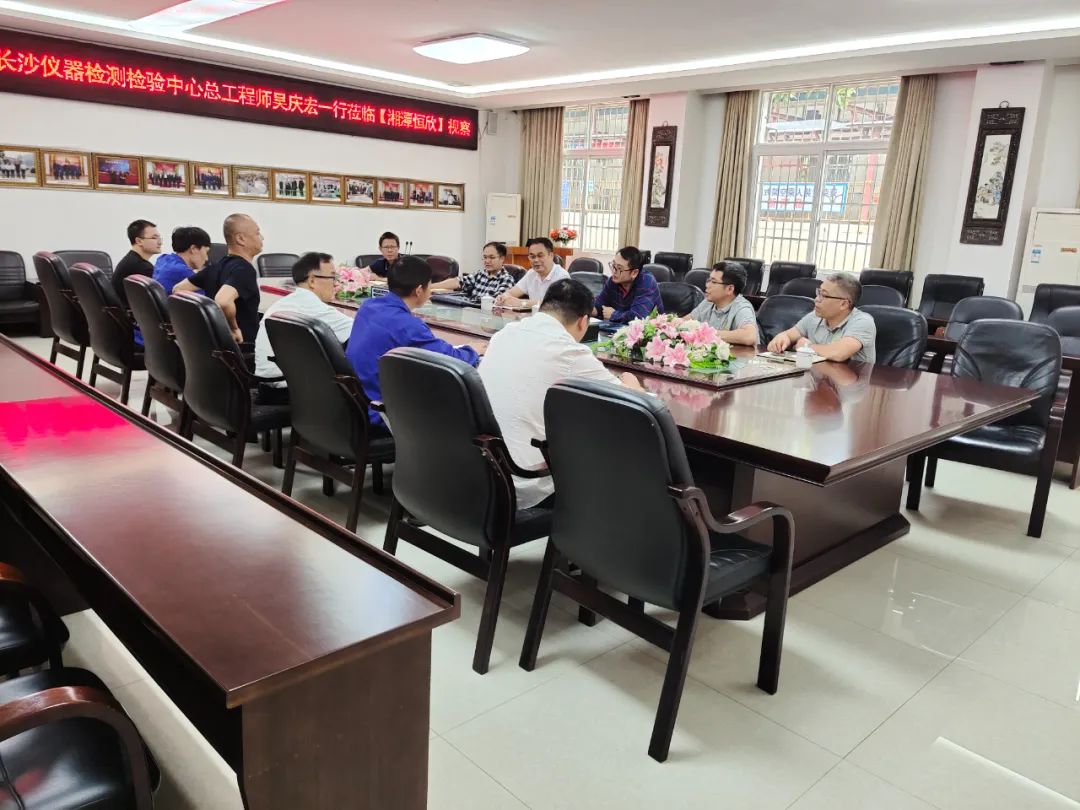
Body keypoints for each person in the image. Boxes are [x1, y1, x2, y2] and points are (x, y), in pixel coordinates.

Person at [480, 279, 642, 508]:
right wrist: (630, 379)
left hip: (482, 470)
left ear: (543, 306)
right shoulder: (569, 351)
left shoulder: (503, 335)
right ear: (583, 322)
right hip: (525, 481)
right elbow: (636, 403)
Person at [346, 256, 481, 434]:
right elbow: (453, 360)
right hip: (381, 413)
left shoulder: (368, 306)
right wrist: (472, 350)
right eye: (429, 286)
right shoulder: (407, 326)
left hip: (356, 404)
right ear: (419, 290)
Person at [254, 252, 353, 405]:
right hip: (289, 388)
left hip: (269, 384)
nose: (336, 284)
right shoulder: (313, 307)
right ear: (312, 281)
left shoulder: (290, 301)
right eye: (333, 277)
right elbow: (361, 332)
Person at [175, 213, 263, 346]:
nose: (261, 237)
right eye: (257, 233)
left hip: (218, 345)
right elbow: (223, 301)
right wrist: (233, 328)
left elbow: (178, 290)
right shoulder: (244, 270)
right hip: (243, 347)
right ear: (240, 239)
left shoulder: (216, 266)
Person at [767, 272, 876, 363]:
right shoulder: (815, 316)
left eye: (824, 295)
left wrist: (807, 347)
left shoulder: (863, 322)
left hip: (851, 379)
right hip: (819, 377)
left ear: (844, 304)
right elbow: (789, 335)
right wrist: (781, 339)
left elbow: (838, 353)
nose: (816, 299)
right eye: (818, 292)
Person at [687, 262, 759, 346]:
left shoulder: (742, 308)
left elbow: (749, 336)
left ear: (730, 289)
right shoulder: (708, 302)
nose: (707, 285)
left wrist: (708, 334)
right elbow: (688, 320)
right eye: (708, 280)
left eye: (713, 282)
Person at [592, 246, 663, 323]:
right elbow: (600, 304)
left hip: (650, 329)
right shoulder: (613, 281)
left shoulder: (646, 282)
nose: (614, 271)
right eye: (614, 266)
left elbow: (638, 318)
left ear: (634, 273)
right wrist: (589, 309)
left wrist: (613, 315)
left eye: (619, 269)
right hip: (620, 328)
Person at [494, 237, 569, 308]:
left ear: (551, 255)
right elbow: (511, 293)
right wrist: (503, 297)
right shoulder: (531, 273)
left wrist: (522, 303)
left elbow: (555, 304)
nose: (536, 260)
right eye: (532, 257)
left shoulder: (562, 276)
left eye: (540, 256)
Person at [430, 241, 515, 301]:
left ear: (502, 258)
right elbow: (458, 282)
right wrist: (430, 287)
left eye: (491, 257)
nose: (487, 261)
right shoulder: (480, 274)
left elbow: (496, 301)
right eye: (485, 257)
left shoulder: (507, 279)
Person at [112, 219, 161, 306]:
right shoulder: (142, 267)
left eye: (159, 238)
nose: (160, 242)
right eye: (154, 238)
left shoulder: (131, 260)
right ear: (139, 241)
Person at [152, 226, 212, 294]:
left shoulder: (163, 259)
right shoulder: (183, 273)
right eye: (206, 252)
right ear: (193, 249)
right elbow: (211, 298)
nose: (206, 258)